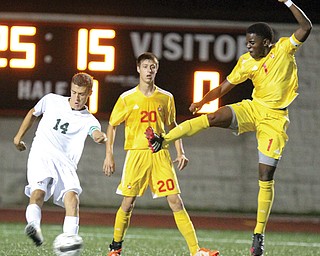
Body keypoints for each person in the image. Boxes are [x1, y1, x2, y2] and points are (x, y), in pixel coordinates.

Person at [145, 1, 312, 256]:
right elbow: (224, 88)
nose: (248, 46)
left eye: (253, 42)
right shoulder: (246, 62)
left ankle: (258, 235)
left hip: (275, 120)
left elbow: (306, 26)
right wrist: (202, 101)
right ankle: (163, 140)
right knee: (213, 117)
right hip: (254, 108)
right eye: (247, 42)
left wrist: (289, 1)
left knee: (265, 176)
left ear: (266, 42)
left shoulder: (283, 49)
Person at [103, 52, 219, 256]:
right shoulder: (126, 98)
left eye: (153, 66)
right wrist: (109, 155)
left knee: (175, 201)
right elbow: (112, 125)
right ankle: (115, 247)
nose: (149, 70)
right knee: (128, 203)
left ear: (156, 69)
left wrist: (180, 151)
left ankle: (196, 250)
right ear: (138, 69)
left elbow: (172, 125)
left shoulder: (166, 98)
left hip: (160, 155)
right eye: (145, 66)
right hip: (136, 155)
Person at [13, 72, 107, 247]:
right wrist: (18, 137)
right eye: (74, 92)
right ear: (70, 89)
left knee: (72, 199)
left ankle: (69, 242)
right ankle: (34, 226)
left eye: (82, 94)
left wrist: (99, 136)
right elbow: (33, 113)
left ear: (89, 94)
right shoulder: (51, 100)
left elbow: (94, 132)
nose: (77, 97)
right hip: (42, 153)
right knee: (38, 193)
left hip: (66, 163)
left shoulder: (88, 120)